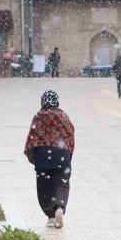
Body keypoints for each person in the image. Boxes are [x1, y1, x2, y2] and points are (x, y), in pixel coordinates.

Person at [24, 90, 76, 229]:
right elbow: (70, 135)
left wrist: (33, 156)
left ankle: (51, 216)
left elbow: (31, 138)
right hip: (61, 155)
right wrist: (68, 155)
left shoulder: (39, 116)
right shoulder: (63, 116)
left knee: (44, 187)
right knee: (62, 184)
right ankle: (59, 206)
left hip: (43, 158)